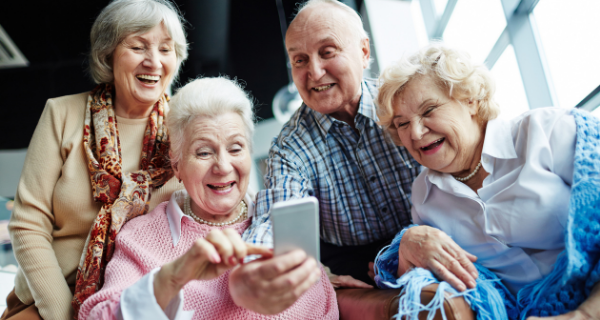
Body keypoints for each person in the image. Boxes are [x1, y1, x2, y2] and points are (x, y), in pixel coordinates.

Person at [78, 77, 339, 320]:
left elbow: (324, 306)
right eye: (203, 153)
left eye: (236, 148)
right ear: (177, 165)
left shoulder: (278, 220)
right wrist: (172, 277)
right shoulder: (141, 238)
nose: (223, 166)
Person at [373, 44, 600, 319]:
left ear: (469, 100)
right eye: (402, 124)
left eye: (429, 110)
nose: (417, 133)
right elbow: (422, 279)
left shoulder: (549, 131)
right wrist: (407, 242)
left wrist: (585, 314)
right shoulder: (423, 195)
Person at [3, 1, 188, 319]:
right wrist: (64, 315)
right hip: (51, 301)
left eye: (166, 49)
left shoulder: (185, 127)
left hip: (139, 306)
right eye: (138, 46)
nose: (154, 61)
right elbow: (28, 224)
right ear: (108, 53)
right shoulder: (61, 114)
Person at [243, 0, 425, 287]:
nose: (313, 72)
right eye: (300, 60)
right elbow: (275, 224)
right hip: (352, 268)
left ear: (364, 52)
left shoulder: (405, 102)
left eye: (327, 53)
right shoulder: (289, 149)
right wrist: (254, 267)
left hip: (429, 235)